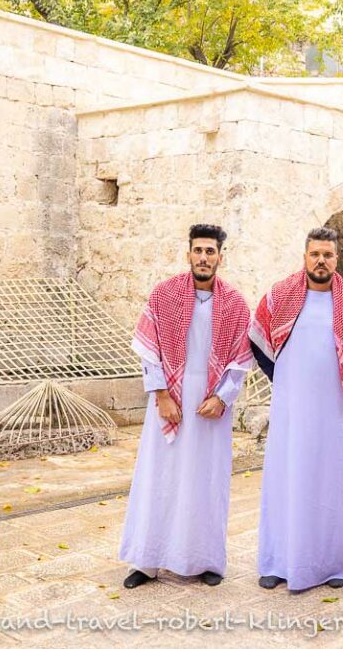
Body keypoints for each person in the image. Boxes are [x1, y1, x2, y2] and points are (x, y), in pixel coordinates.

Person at [119, 224, 253, 589]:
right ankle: (147, 562)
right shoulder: (164, 295)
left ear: (221, 258)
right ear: (188, 253)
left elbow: (240, 361)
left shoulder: (236, 303)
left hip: (210, 407)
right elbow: (149, 352)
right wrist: (161, 396)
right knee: (158, 478)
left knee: (205, 481)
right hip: (169, 401)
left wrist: (221, 398)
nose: (204, 258)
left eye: (211, 252)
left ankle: (204, 559)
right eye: (198, 251)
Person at [249, 226, 343, 592]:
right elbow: (259, 341)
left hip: (331, 405)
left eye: (328, 255)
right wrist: (286, 377)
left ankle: (334, 563)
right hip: (290, 405)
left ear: (337, 259)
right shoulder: (279, 296)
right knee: (283, 477)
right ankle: (277, 561)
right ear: (305, 256)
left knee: (329, 479)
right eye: (315, 254)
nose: (321, 261)